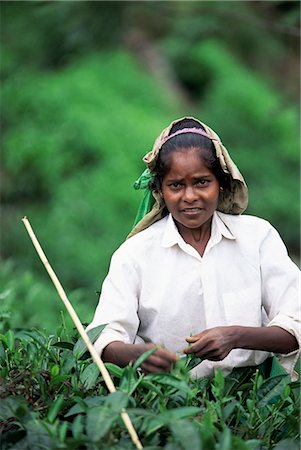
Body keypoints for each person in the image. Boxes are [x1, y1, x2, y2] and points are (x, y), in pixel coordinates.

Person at [87, 117, 300, 378]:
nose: (189, 197)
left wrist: (235, 336)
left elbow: (295, 324)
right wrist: (138, 356)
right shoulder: (135, 254)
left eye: (202, 182)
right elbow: (105, 337)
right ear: (160, 190)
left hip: (254, 400)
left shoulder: (257, 238)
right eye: (176, 185)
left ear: (221, 184)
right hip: (170, 399)